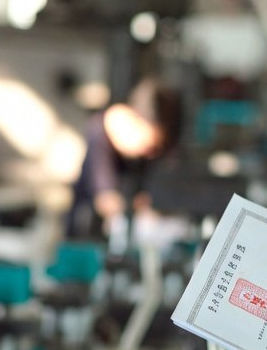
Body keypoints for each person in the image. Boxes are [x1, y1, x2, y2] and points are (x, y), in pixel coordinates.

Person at [66, 77, 183, 240]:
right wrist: (138, 208)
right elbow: (105, 201)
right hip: (89, 234)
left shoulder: (154, 153)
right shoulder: (101, 132)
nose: (150, 153)